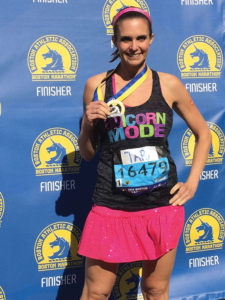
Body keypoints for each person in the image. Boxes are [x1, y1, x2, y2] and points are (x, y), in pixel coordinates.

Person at [78, 6, 211, 300]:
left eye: (141, 38)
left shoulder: (169, 84)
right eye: (126, 39)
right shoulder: (97, 87)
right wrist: (88, 124)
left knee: (155, 289)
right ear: (115, 42)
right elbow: (87, 153)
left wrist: (193, 182)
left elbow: (204, 133)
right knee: (97, 292)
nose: (134, 46)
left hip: (159, 205)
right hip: (111, 205)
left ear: (152, 39)